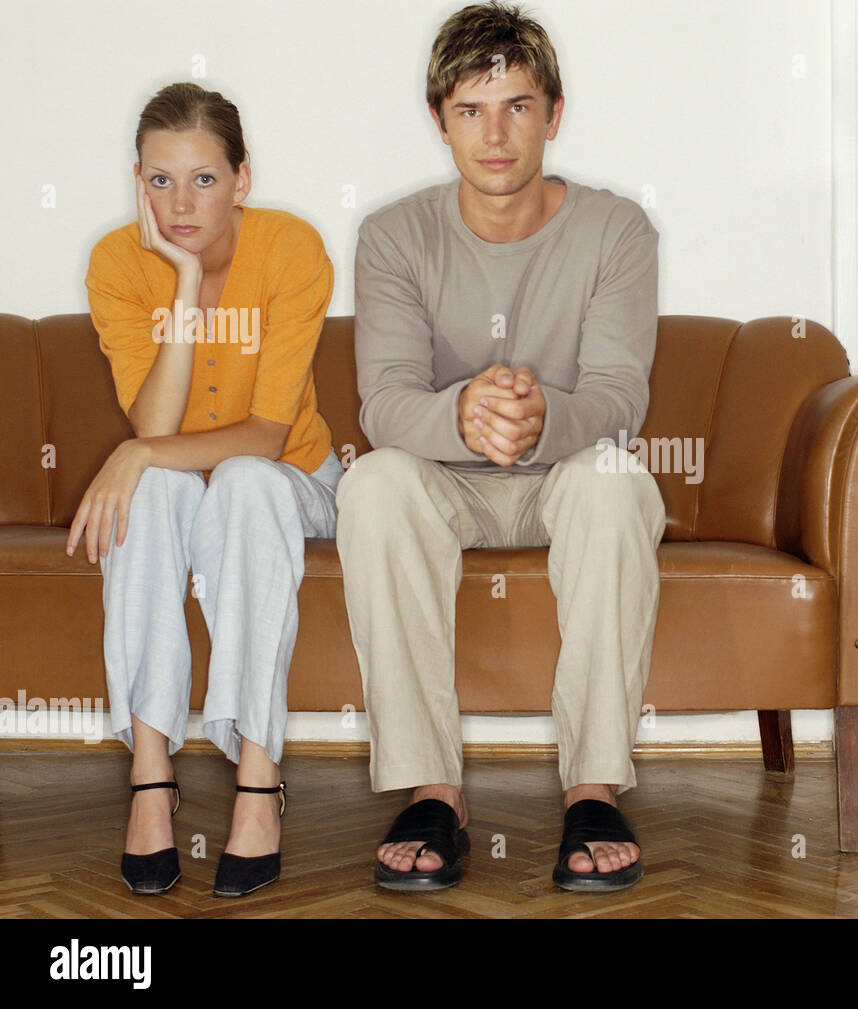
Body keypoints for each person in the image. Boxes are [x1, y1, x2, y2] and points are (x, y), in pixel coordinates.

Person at [336, 0, 665, 893]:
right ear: (440, 121)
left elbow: (617, 397)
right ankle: (432, 788)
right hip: (445, 483)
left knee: (617, 480)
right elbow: (385, 401)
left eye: (517, 106)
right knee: (370, 485)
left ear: (553, 115)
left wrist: (538, 417)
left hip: (564, 477)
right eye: (471, 110)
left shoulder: (618, 231)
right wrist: (466, 412)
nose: (496, 132)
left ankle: (591, 786)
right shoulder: (394, 236)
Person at [71, 82, 342, 898]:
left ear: (243, 179)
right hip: (183, 486)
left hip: (290, 478)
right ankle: (151, 777)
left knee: (247, 483)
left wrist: (139, 453)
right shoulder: (120, 264)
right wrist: (184, 282)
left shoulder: (293, 249)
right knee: (148, 494)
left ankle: (259, 779)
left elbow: (265, 434)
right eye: (160, 181)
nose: (181, 203)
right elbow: (151, 422)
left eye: (204, 180)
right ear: (136, 180)